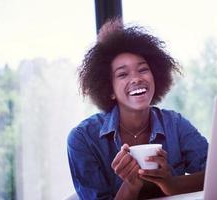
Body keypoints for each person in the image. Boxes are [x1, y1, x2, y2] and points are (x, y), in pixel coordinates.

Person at [67, 18, 208, 200]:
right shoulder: (83, 139)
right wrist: (130, 186)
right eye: (123, 74)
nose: (136, 79)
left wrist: (170, 183)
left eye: (142, 70)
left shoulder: (175, 124)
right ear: (109, 89)